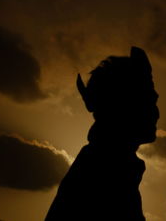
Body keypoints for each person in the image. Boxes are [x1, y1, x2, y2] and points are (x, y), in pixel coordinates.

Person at [45, 47, 159, 221]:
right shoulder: (106, 172)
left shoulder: (113, 165)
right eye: (147, 102)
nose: (155, 113)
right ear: (122, 108)